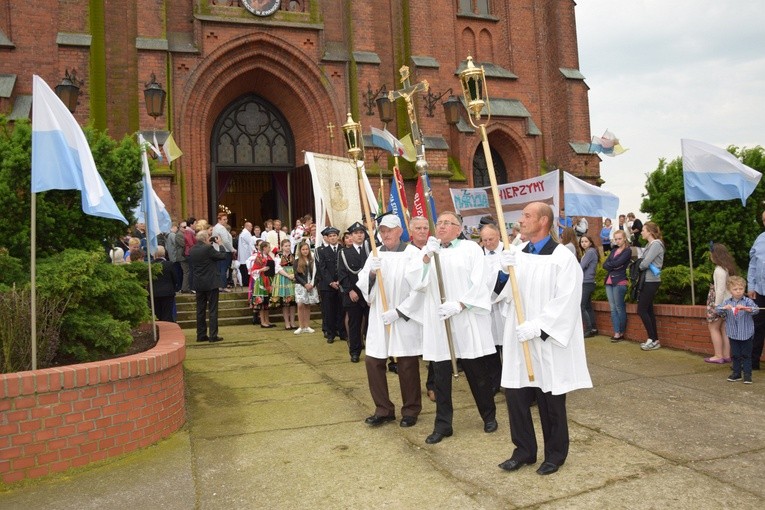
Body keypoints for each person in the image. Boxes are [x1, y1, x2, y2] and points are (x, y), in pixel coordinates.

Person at [496, 202, 592, 476]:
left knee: (550, 399)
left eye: (527, 216)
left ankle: (555, 454)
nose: (521, 220)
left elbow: (567, 301)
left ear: (543, 222)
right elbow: (498, 294)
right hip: (519, 340)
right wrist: (503, 272)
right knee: (515, 397)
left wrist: (538, 327)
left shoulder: (562, 258)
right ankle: (524, 451)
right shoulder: (516, 254)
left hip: (546, 341)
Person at [412, 211, 499, 444]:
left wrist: (461, 304)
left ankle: (488, 415)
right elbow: (416, 282)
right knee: (440, 375)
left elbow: (481, 281)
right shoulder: (429, 250)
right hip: (440, 321)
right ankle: (443, 425)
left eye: (447, 223)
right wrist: (427, 258)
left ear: (458, 229)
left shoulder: (470, 249)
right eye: (439, 223)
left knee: (476, 372)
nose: (441, 227)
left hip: (465, 318)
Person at [357, 214, 423, 428]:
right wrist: (372, 276)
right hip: (379, 316)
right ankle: (383, 409)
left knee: (406, 363)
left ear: (400, 231)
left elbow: (420, 288)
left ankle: (411, 409)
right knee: (373, 361)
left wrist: (400, 311)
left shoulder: (413, 254)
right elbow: (363, 285)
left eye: (390, 230)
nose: (386, 234)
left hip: (403, 316)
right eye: (382, 231)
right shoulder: (375, 255)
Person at [408, 216, 436, 402]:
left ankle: (433, 385)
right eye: (418, 228)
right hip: (411, 306)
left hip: (430, 303)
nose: (422, 230)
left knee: (434, 346)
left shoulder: (434, 249)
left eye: (425, 227)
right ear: (410, 231)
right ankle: (411, 390)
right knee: (411, 352)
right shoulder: (406, 251)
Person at [338, 222, 370, 363]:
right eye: (356, 233)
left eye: (361, 232)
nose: (359, 235)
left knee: (372, 324)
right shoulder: (344, 253)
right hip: (353, 294)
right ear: (350, 236)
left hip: (369, 293)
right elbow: (342, 273)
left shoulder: (371, 250)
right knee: (354, 324)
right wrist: (350, 290)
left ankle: (373, 350)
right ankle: (355, 351)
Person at [716, 276, 758, 384]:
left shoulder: (748, 301)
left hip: (746, 333)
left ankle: (747, 375)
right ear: (730, 290)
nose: (738, 291)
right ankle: (736, 373)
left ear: (744, 289)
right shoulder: (727, 302)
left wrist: (748, 309)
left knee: (746, 355)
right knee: (735, 355)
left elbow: (756, 310)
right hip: (733, 333)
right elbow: (718, 310)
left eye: (741, 289)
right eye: (735, 289)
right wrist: (723, 309)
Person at [187, 230, 227, 342]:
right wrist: (220, 244)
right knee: (213, 310)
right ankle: (213, 335)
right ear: (205, 238)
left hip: (198, 283)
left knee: (200, 310)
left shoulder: (192, 250)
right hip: (211, 283)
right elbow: (222, 256)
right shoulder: (208, 249)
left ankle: (201, 335)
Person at [480, 223, 504, 394]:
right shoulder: (478, 255)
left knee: (508, 346)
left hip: (505, 306)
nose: (488, 243)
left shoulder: (509, 252)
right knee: (492, 347)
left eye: (491, 239)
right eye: (485, 240)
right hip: (487, 308)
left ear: (499, 236)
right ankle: (495, 381)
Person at [705, 243, 736, 363]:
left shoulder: (719, 270)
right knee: (724, 329)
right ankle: (726, 355)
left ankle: (718, 355)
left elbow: (720, 289)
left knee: (713, 327)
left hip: (719, 303)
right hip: (727, 302)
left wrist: (717, 306)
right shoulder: (727, 268)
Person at [638, 222, 665, 351]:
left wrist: (641, 263)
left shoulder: (655, 244)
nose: (641, 232)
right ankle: (654, 340)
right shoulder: (650, 245)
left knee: (641, 309)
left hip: (651, 280)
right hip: (648, 280)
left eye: (643, 230)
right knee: (648, 310)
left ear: (649, 231)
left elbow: (644, 263)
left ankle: (652, 339)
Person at [316, 227, 346, 343]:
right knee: (329, 310)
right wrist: (331, 282)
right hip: (327, 286)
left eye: (335, 236)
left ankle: (342, 332)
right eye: (330, 236)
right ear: (327, 238)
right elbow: (322, 269)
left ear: (337, 237)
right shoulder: (322, 251)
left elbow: (343, 268)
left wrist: (339, 280)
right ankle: (330, 334)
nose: (333, 238)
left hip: (341, 284)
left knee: (341, 309)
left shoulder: (343, 250)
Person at [603, 230, 631, 341]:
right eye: (616, 239)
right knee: (613, 308)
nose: (617, 241)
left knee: (619, 308)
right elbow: (605, 265)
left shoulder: (627, 251)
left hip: (619, 281)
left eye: (619, 238)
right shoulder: (613, 250)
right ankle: (616, 332)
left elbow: (618, 264)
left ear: (624, 238)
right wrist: (612, 265)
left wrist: (612, 265)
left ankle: (621, 332)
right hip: (609, 281)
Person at [747, 210, 765, 371]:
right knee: (757, 326)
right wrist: (751, 287)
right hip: (760, 291)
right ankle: (753, 362)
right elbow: (752, 265)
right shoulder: (759, 239)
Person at [293, 241, 319, 334]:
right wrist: (305, 284)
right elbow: (296, 275)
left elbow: (317, 274)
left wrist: (313, 284)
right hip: (301, 285)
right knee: (300, 304)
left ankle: (307, 326)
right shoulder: (296, 261)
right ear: (300, 250)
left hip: (311, 285)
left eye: (307, 249)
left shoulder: (313, 261)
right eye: (303, 249)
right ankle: (301, 326)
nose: (305, 251)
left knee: (307, 305)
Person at [248, 240, 276, 328]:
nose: (270, 249)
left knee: (267, 302)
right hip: (261, 280)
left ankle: (267, 320)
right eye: (268, 247)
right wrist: (261, 270)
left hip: (268, 279)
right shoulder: (259, 258)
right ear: (264, 248)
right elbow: (253, 270)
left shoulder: (269, 257)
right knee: (261, 302)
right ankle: (263, 321)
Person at [272, 238, 297, 330]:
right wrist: (287, 275)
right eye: (286, 246)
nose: (288, 247)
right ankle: (287, 323)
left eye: (289, 245)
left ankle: (293, 322)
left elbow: (297, 266)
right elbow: (277, 268)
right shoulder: (278, 255)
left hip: (293, 277)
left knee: (293, 302)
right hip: (283, 278)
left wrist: (294, 274)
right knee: (285, 302)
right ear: (282, 247)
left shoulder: (293, 255)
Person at [150, 245, 178, 322]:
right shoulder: (169, 264)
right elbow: (175, 278)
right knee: (167, 314)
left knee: (157, 315)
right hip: (167, 292)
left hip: (154, 293)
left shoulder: (150, 265)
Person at [579, 234, 599, 338]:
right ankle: (593, 328)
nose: (583, 243)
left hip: (587, 282)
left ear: (590, 242)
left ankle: (589, 329)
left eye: (586, 241)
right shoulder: (589, 252)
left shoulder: (590, 252)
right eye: (582, 242)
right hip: (589, 282)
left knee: (581, 306)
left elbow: (581, 267)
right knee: (588, 306)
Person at [237, 222, 254, 288]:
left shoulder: (243, 232)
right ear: (246, 226)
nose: (251, 227)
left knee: (243, 268)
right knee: (246, 268)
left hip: (243, 254)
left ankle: (245, 282)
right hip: (245, 254)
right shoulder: (246, 233)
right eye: (250, 226)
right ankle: (246, 282)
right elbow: (251, 243)